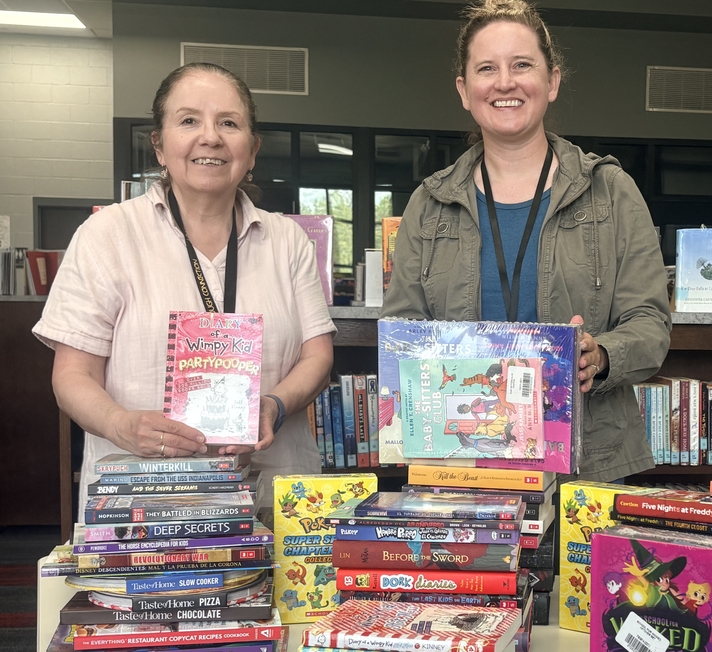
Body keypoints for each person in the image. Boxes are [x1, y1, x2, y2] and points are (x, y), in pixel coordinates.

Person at [382, 0, 671, 481]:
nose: (505, 82)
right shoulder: (428, 203)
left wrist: (599, 356)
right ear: (464, 89)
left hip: (588, 460)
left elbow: (650, 323)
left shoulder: (610, 190)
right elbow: (402, 332)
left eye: (522, 65)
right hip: (461, 458)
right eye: (487, 68)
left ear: (552, 81)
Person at [34, 62, 336, 519]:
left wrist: (273, 405)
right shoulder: (106, 235)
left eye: (229, 123)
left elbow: (318, 356)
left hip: (273, 497)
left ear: (251, 151)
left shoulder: (287, 239)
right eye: (189, 120)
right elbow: (72, 376)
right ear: (159, 144)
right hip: (144, 500)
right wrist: (123, 425)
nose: (210, 137)